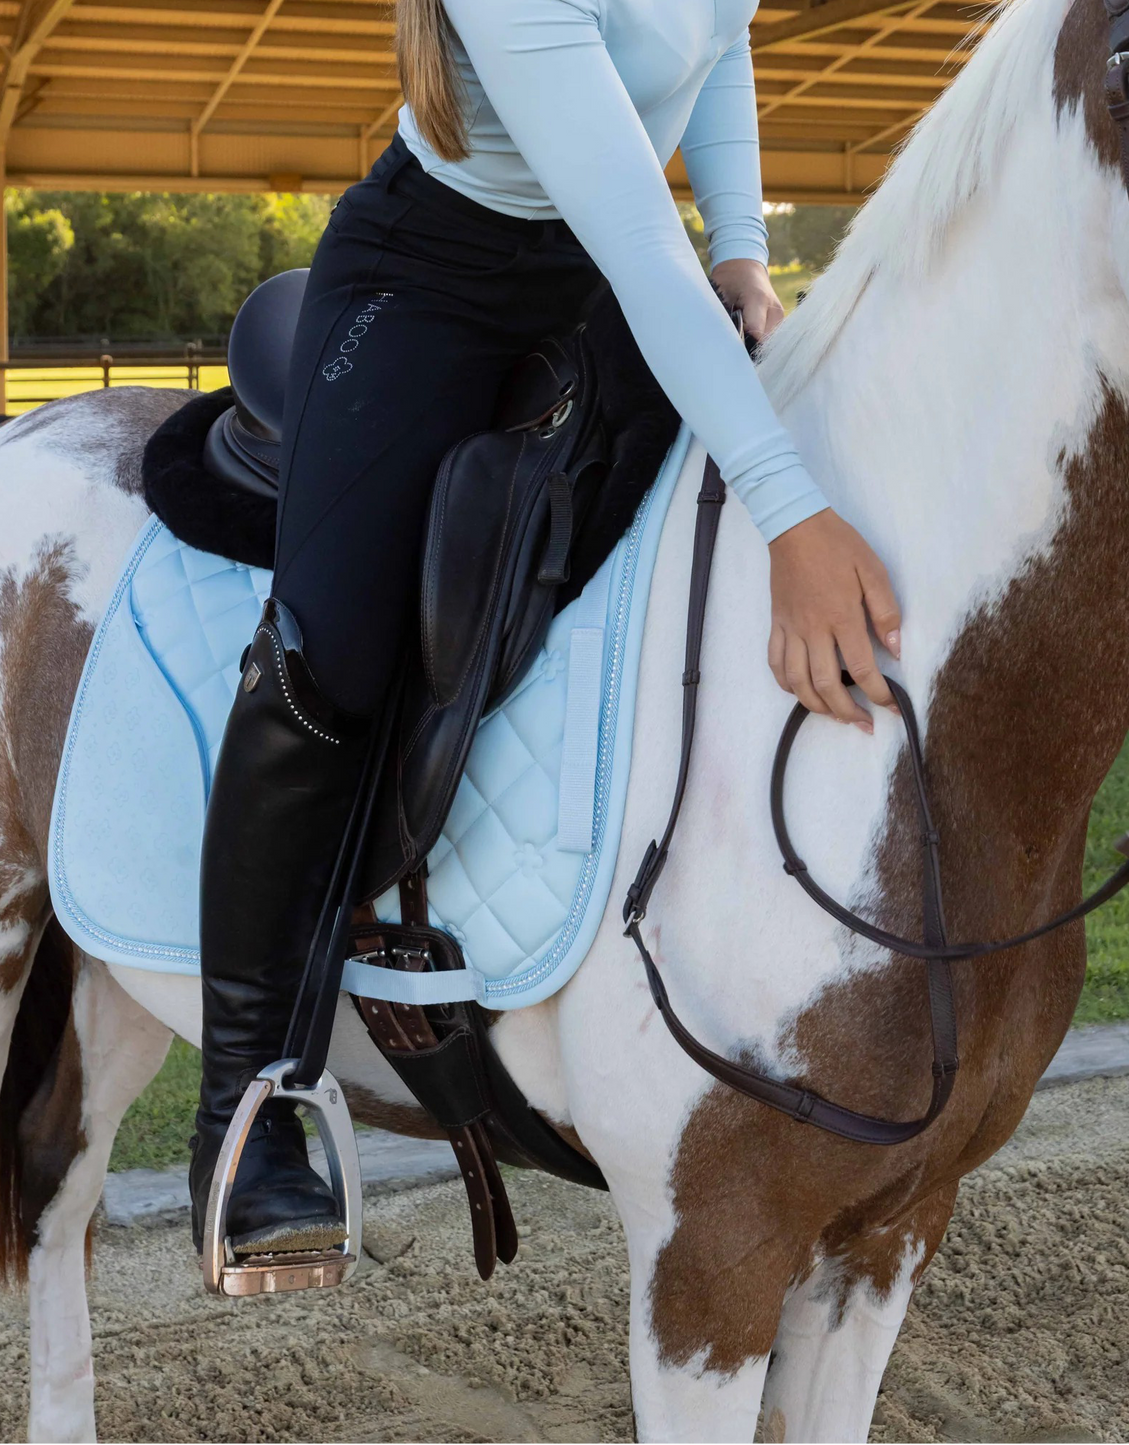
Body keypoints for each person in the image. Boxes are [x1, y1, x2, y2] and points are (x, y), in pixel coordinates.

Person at [189, 0, 903, 1257]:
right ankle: (246, 1111)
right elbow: (638, 238)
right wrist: (793, 516)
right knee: (330, 656)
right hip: (432, 281)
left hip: (599, 275)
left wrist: (741, 247)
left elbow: (719, 37)